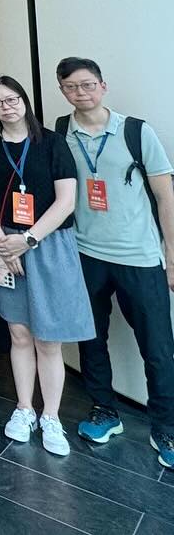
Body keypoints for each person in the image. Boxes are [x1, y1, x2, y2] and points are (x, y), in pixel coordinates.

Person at [55, 58, 174, 465]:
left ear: (103, 86)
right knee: (91, 339)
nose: (80, 93)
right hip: (85, 254)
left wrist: (171, 254)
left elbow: (165, 195)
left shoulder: (136, 132)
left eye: (88, 84)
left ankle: (166, 427)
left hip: (139, 256)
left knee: (157, 347)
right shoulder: (60, 132)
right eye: (71, 87)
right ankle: (104, 410)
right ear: (62, 91)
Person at [0, 75, 93, 456]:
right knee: (19, 333)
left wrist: (28, 239)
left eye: (12, 99)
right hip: (3, 243)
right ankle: (24, 408)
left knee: (48, 339)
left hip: (46, 243)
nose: (6, 107)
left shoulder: (52, 143)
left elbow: (66, 200)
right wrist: (2, 241)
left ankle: (51, 416)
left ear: (24, 100)